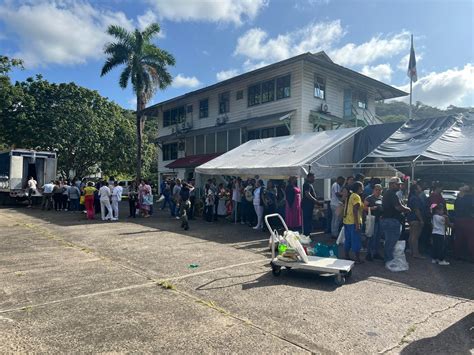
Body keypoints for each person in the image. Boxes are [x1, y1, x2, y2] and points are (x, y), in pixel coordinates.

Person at [381, 177, 411, 263]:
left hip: (390, 220)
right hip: (391, 220)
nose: (399, 186)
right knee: (391, 242)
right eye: (397, 185)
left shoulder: (389, 193)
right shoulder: (391, 194)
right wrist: (407, 209)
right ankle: (389, 260)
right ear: (391, 184)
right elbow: (398, 207)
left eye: (399, 185)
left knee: (389, 241)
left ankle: (388, 259)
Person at [343, 182, 364, 263]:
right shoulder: (356, 196)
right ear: (359, 188)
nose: (363, 188)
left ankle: (346, 256)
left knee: (348, 239)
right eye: (362, 187)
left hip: (347, 221)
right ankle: (357, 258)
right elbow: (355, 210)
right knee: (356, 240)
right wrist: (357, 224)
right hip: (353, 221)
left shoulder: (350, 195)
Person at [453, 185, 474, 262]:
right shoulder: (471, 198)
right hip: (469, 220)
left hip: (458, 219)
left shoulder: (458, 198)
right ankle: (471, 255)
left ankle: (457, 255)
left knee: (458, 238)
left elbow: (455, 207)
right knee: (471, 238)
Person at [364, 184, 384, 261]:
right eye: (377, 190)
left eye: (380, 190)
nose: (378, 191)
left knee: (378, 237)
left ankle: (376, 253)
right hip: (372, 220)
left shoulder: (382, 198)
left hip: (380, 220)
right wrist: (372, 208)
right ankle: (369, 253)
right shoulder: (369, 198)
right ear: (373, 190)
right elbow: (364, 207)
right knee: (371, 236)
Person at [407, 183, 425, 258]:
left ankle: (411, 250)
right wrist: (421, 220)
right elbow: (417, 210)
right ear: (415, 190)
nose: (420, 188)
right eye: (419, 187)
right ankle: (415, 253)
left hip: (411, 218)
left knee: (411, 235)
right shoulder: (415, 198)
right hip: (415, 219)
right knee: (415, 236)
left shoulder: (412, 197)